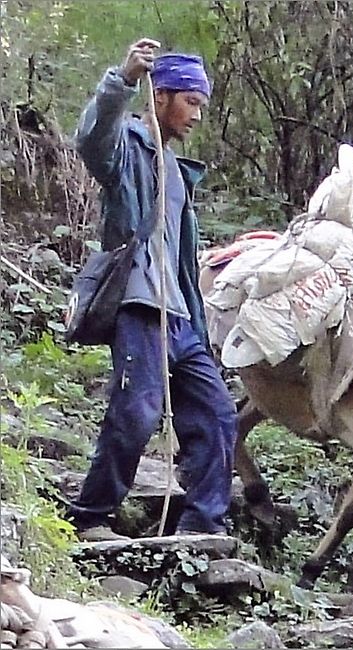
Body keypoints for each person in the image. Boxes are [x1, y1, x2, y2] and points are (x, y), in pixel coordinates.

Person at [67, 38, 237, 542]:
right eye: (191, 102)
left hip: (180, 314)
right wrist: (121, 80)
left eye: (202, 105)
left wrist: (200, 327)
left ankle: (200, 526)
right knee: (136, 412)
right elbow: (91, 140)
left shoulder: (179, 176)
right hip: (140, 306)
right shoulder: (128, 150)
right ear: (160, 97)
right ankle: (92, 517)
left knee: (217, 413)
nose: (198, 116)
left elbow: (184, 261)